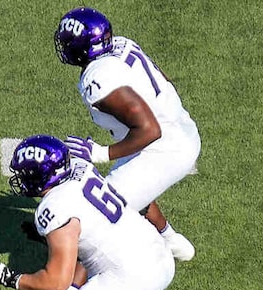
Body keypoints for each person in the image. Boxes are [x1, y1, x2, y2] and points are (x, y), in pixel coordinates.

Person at [0, 134, 179, 290]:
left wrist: (13, 279)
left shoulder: (53, 208)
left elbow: (57, 281)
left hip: (132, 276)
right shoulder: (82, 167)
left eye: (26, 174)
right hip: (155, 252)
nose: (21, 178)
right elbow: (90, 230)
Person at [54, 8, 198, 260]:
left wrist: (101, 153)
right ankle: (169, 239)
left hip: (162, 149)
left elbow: (150, 130)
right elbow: (163, 79)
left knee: (96, 217)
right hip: (177, 129)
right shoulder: (121, 44)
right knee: (125, 191)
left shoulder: (98, 80)